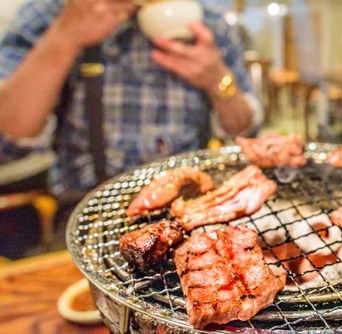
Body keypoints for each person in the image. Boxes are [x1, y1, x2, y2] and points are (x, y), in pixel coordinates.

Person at [0, 0, 263, 198]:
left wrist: (217, 78)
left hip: (191, 196)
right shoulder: (53, 11)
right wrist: (64, 37)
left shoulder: (209, 21)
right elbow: (8, 137)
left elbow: (243, 128)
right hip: (85, 204)